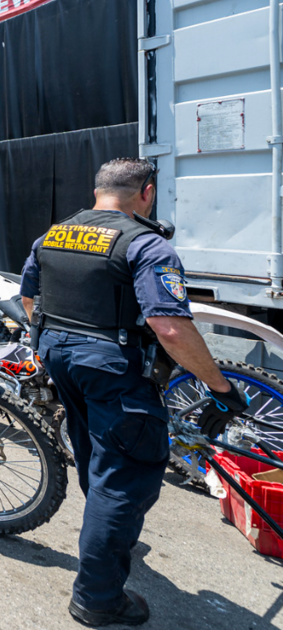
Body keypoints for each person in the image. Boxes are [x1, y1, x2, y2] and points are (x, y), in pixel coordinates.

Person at [19, 158, 248, 627]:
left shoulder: (55, 233)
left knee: (93, 452)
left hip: (59, 356)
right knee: (126, 476)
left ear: (99, 189)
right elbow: (170, 327)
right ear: (146, 192)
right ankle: (97, 598)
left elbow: (29, 298)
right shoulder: (146, 243)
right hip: (112, 369)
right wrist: (220, 387)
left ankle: (108, 534)